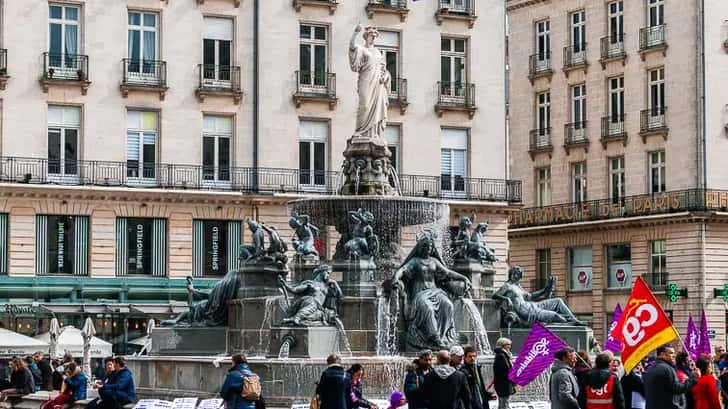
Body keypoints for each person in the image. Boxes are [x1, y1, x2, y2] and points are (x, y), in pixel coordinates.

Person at [644, 344, 697, 409]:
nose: (674, 356)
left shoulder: (650, 369)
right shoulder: (667, 368)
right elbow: (678, 388)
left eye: (674, 353)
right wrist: (694, 378)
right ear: (662, 354)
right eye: (671, 353)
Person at [493, 338, 516, 409]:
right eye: (508, 345)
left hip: (502, 385)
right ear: (503, 346)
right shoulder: (502, 356)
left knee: (503, 403)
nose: (510, 347)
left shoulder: (502, 355)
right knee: (504, 404)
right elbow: (507, 370)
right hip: (504, 385)